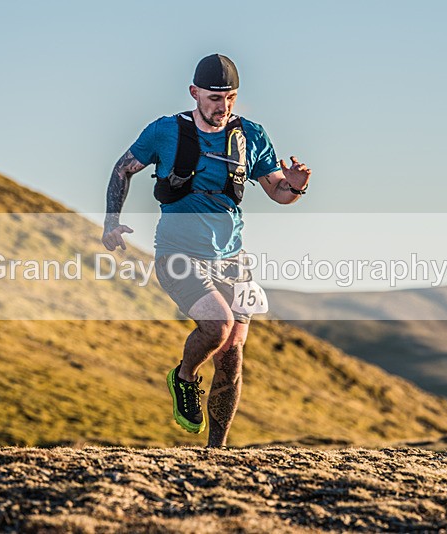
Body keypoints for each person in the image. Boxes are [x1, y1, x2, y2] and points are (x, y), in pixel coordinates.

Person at [102, 54, 311, 447]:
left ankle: (217, 452)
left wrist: (296, 186)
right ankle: (183, 376)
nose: (223, 106)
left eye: (230, 98)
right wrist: (112, 222)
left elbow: (278, 191)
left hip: (232, 258)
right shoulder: (164, 131)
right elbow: (122, 168)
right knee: (217, 325)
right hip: (178, 252)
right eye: (215, 98)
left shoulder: (251, 135)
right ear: (195, 93)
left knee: (233, 353)